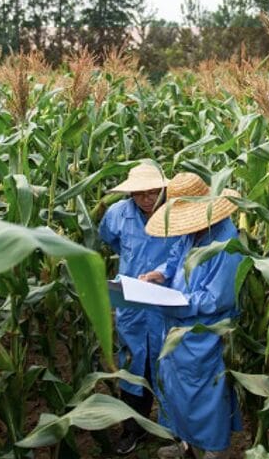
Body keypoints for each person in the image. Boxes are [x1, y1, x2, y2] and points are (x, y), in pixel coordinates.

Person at [140, 172, 243, 459]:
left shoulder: (227, 243)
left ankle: (214, 450)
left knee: (206, 395)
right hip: (177, 330)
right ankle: (185, 443)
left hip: (206, 333)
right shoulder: (191, 233)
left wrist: (177, 301)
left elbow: (216, 299)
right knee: (176, 391)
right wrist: (159, 274)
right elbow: (174, 259)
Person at [98, 163, 188, 455]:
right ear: (131, 194)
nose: (147, 199)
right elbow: (110, 239)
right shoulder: (117, 215)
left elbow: (181, 254)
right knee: (133, 365)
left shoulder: (175, 216)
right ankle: (132, 429)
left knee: (168, 366)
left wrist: (160, 272)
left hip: (165, 304)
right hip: (132, 306)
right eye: (140, 194)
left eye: (153, 193)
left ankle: (171, 432)